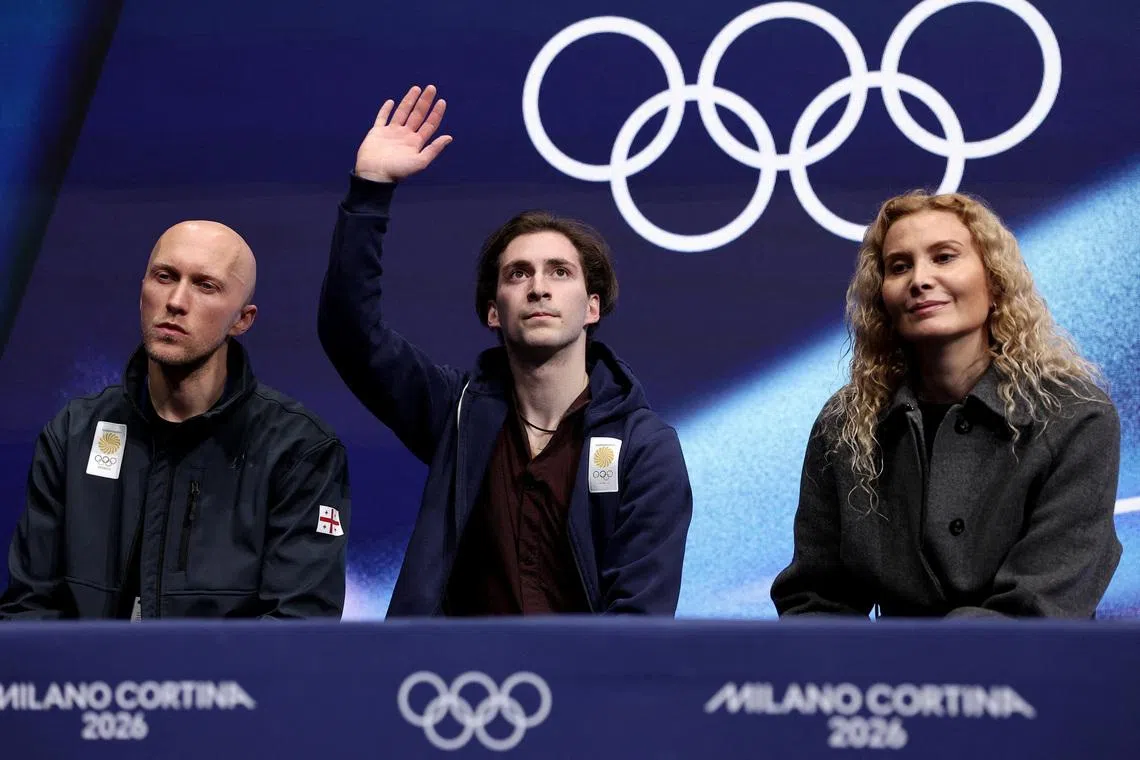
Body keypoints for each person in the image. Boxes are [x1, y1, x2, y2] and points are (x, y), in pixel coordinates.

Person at [319, 85, 692, 616]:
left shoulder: (645, 448)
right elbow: (350, 333)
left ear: (592, 308)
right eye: (518, 274)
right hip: (449, 691)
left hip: (584, 691)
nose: (538, 288)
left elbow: (640, 620)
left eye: (559, 273)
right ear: (493, 311)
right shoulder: (457, 411)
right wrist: (370, 190)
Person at [771, 190, 1122, 618]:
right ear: (884, 297)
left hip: (1029, 678)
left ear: (994, 282)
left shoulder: (1075, 414)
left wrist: (919, 670)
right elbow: (815, 600)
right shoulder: (845, 423)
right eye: (900, 266)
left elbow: (1038, 607)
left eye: (944, 257)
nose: (919, 280)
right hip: (887, 681)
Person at [1, 220, 350, 619]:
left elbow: (298, 629)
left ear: (242, 319)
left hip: (226, 682)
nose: (176, 301)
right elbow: (27, 610)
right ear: (142, 292)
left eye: (205, 285)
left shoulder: (299, 451)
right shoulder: (74, 434)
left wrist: (175, 682)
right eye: (164, 277)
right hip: (90, 681)